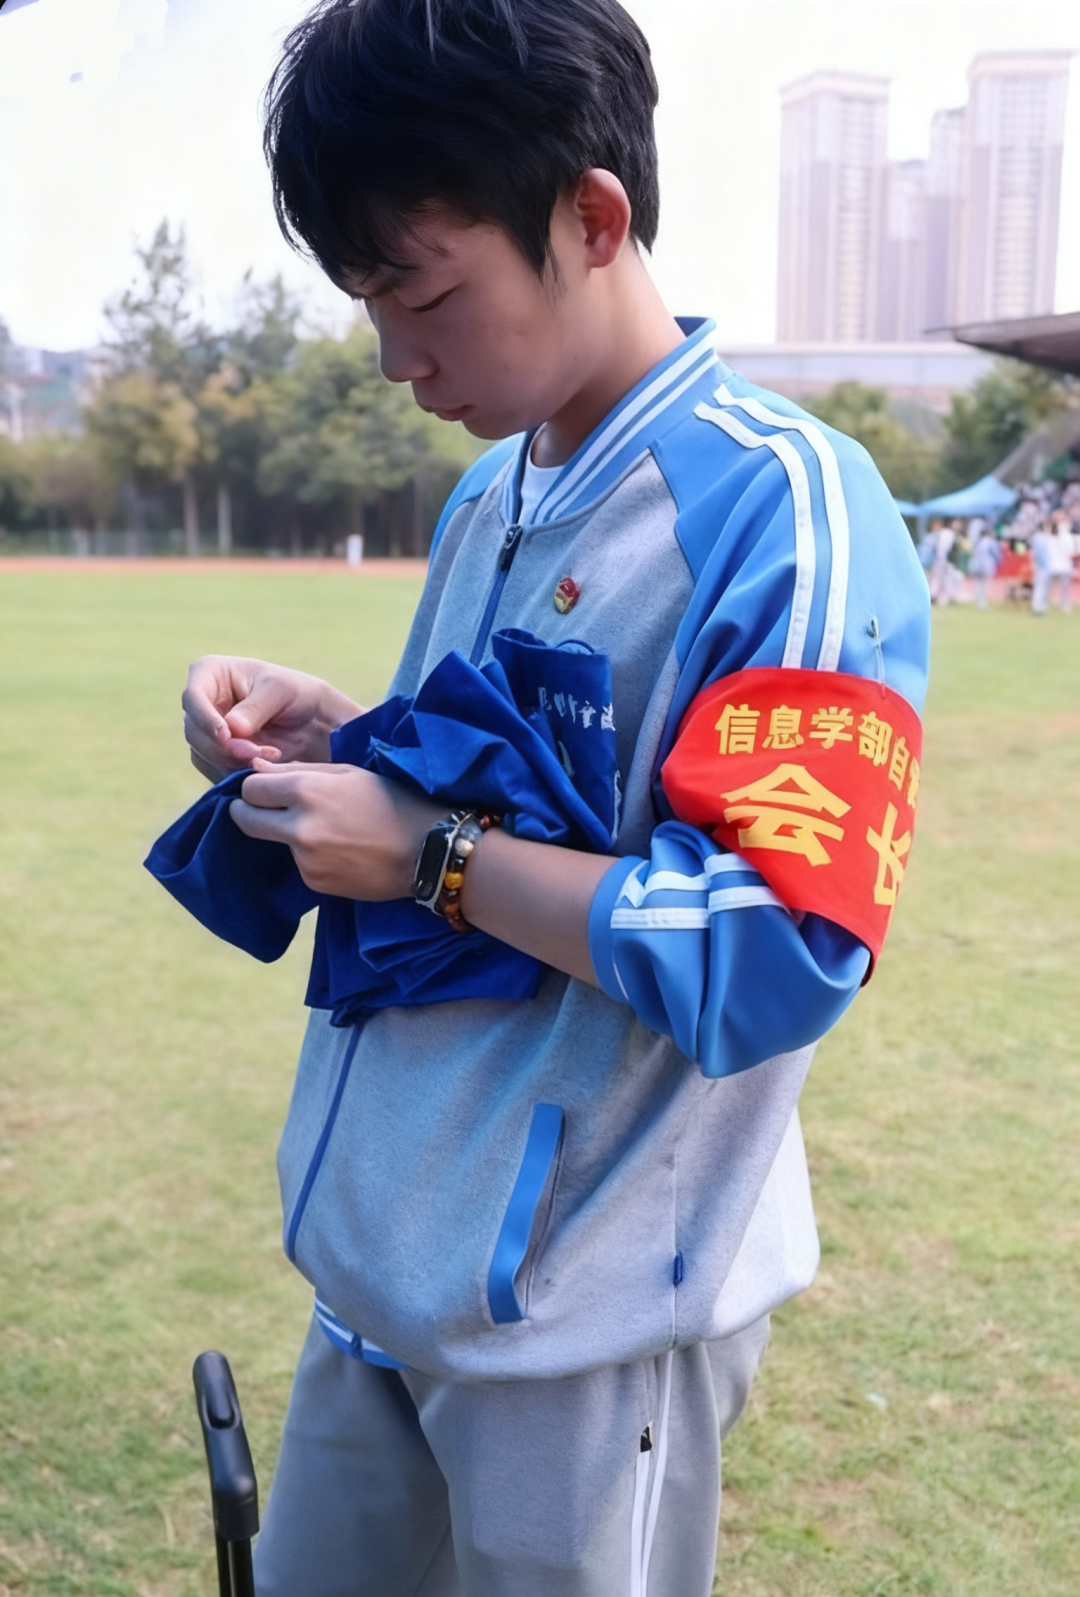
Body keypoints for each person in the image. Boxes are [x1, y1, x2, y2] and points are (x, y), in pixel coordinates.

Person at [178, 3, 930, 1592]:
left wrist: (431, 854)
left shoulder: (785, 503)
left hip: (584, 1330)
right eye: (370, 304)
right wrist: (346, 739)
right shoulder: (488, 487)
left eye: (425, 293)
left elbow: (774, 949)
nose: (399, 360)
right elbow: (510, 789)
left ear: (592, 218)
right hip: (377, 1270)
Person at [968, 521, 1001, 610]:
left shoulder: (978, 542)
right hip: (987, 565)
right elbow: (996, 554)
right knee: (985, 584)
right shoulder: (991, 542)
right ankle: (983, 601)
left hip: (977, 565)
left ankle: (978, 601)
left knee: (978, 583)